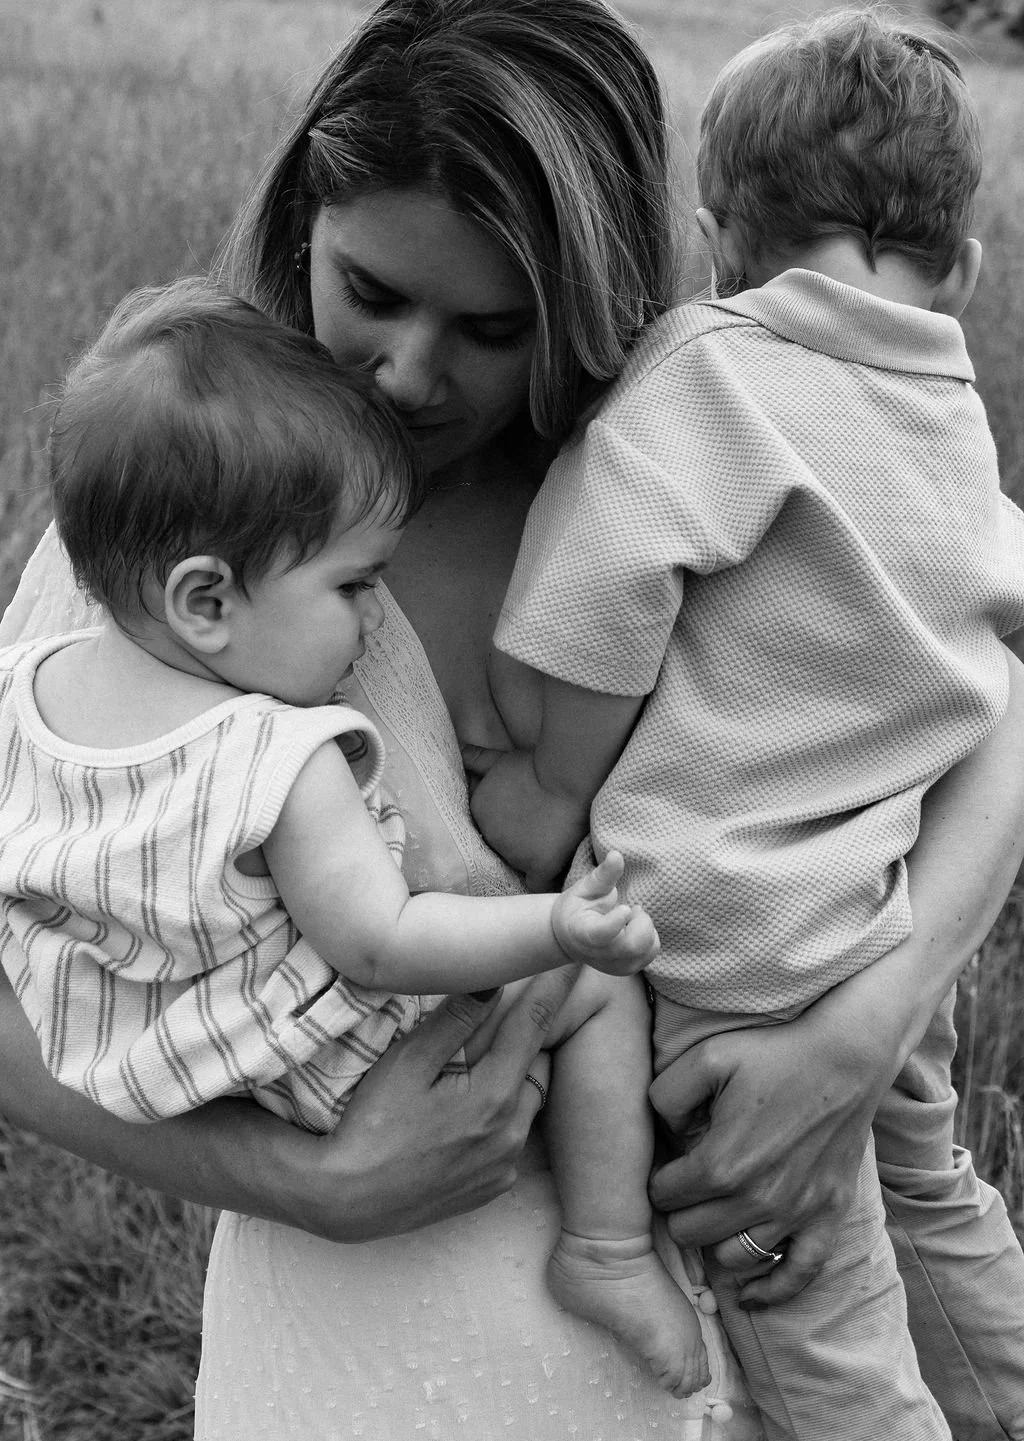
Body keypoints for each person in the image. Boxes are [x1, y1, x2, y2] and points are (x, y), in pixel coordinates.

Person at [0, 2, 1022, 1438]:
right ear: (304, 216)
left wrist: (871, 1017)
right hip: (364, 1342)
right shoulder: (188, 520)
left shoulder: (699, 442)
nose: (413, 375)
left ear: (595, 285)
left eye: (492, 327)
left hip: (727, 1309)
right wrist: (308, 1180)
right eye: (370, 292)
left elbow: (993, 705)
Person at [0, 275, 714, 1400]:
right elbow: (384, 942)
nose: (373, 616)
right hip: (351, 1073)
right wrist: (558, 928)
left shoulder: (27, 690)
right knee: (595, 996)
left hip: (175, 1062)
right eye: (352, 584)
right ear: (206, 602)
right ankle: (608, 1246)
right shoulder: (277, 759)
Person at [466, 11, 1024, 1438]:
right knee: (927, 1191)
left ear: (718, 238)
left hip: (736, 947)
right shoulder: (948, 406)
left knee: (812, 1318)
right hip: (887, 920)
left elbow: (598, 595)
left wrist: (545, 775)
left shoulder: (709, 372)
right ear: (959, 265)